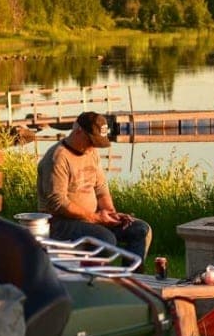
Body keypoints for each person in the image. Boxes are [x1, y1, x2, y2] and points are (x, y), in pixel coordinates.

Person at [37, 111, 152, 263]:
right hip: (59, 222)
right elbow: (57, 203)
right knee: (106, 240)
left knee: (141, 230)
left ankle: (132, 275)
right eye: (91, 141)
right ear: (78, 131)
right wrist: (96, 218)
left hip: (91, 218)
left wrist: (111, 214)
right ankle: (90, 275)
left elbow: (101, 188)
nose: (93, 146)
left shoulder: (92, 153)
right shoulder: (58, 157)